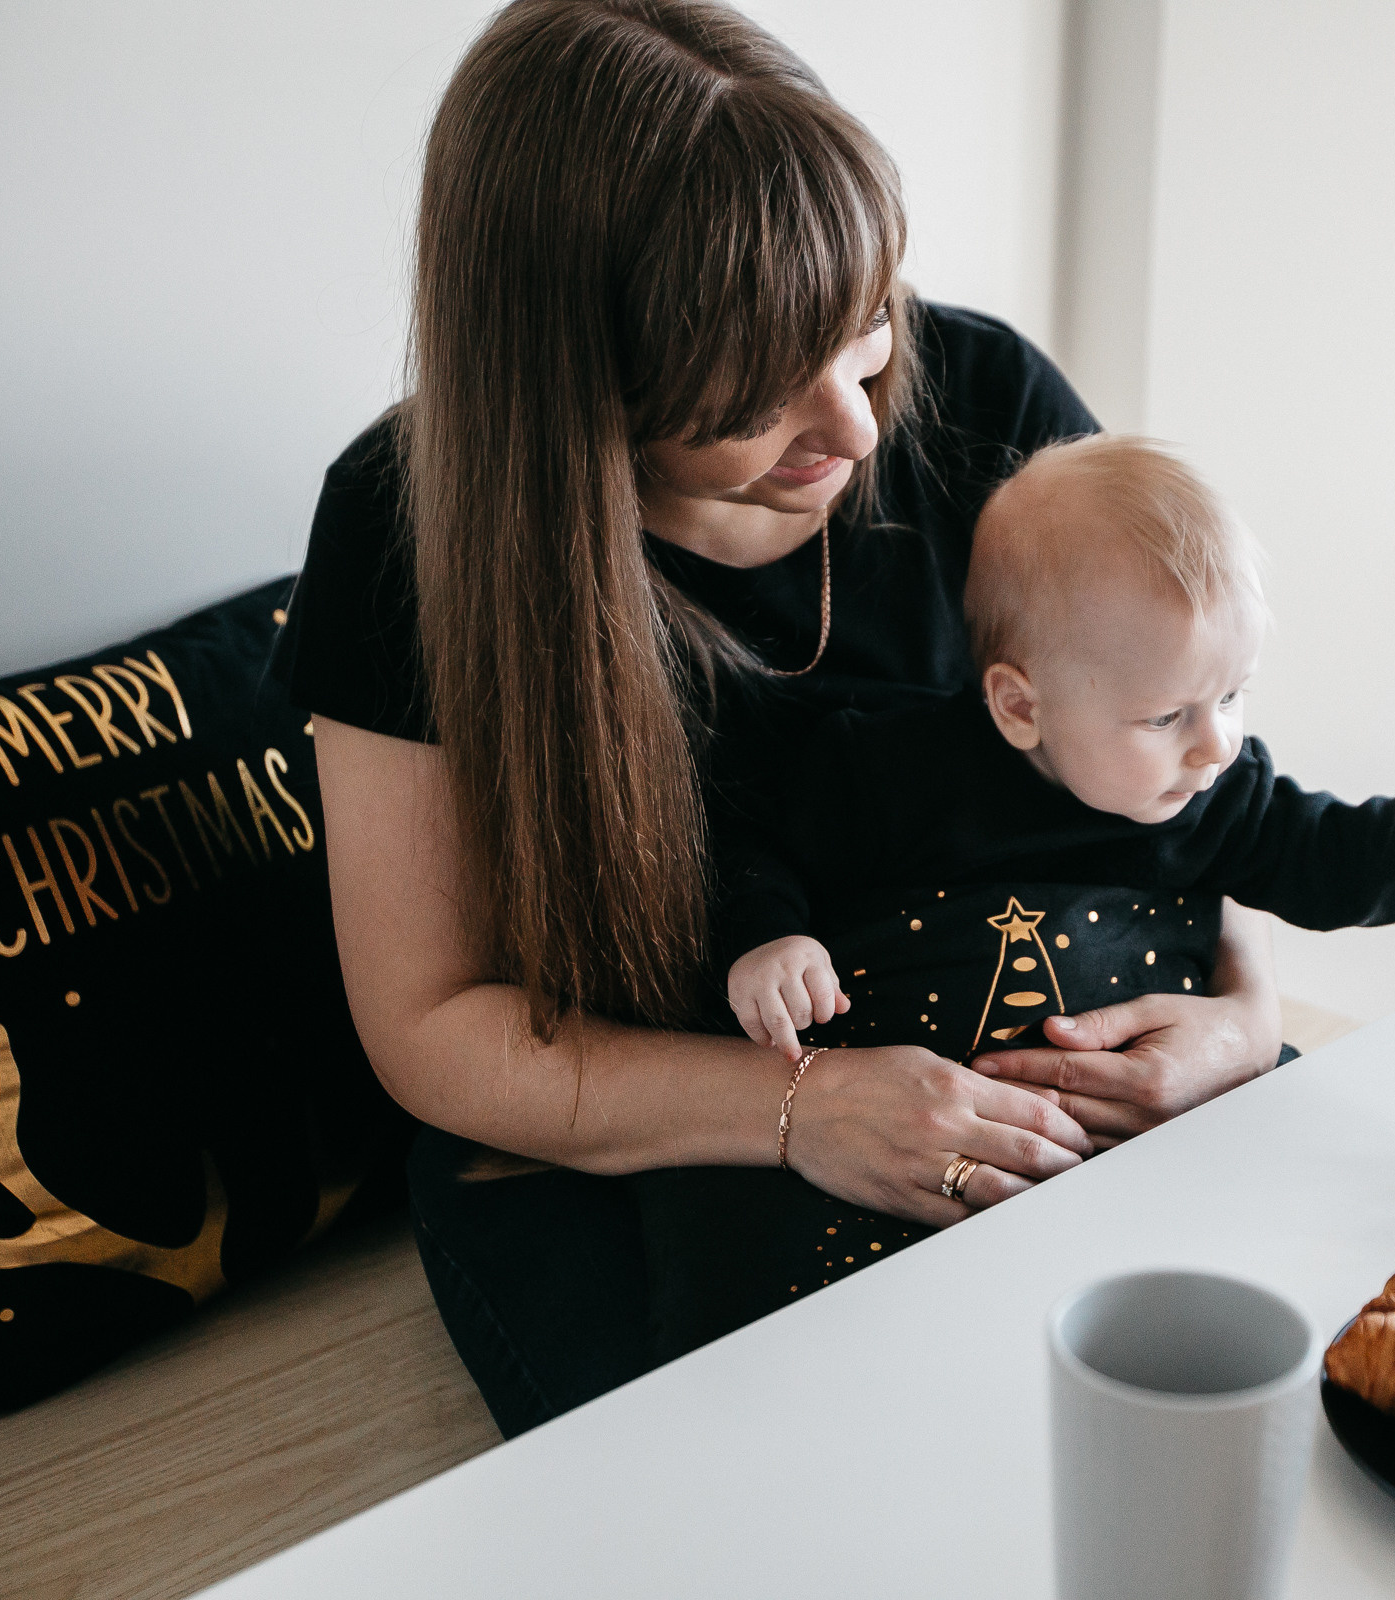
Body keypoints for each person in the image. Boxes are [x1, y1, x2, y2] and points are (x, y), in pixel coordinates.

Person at [270, 0, 1294, 1440]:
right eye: (761, 389)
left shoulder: (985, 398)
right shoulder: (406, 527)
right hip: (638, 1141)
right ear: (581, 388)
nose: (862, 424)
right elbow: (431, 1026)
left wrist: (1240, 1018)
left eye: (862, 324)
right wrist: (800, 1112)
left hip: (1027, 1045)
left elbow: (1185, 758)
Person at [721, 435, 1395, 1064]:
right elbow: (752, 845)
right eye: (1168, 717)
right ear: (1020, 706)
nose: (1216, 746)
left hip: (1148, 1131)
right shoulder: (888, 769)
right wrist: (772, 940)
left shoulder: (1215, 795)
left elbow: (1342, 856)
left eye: (1232, 696)